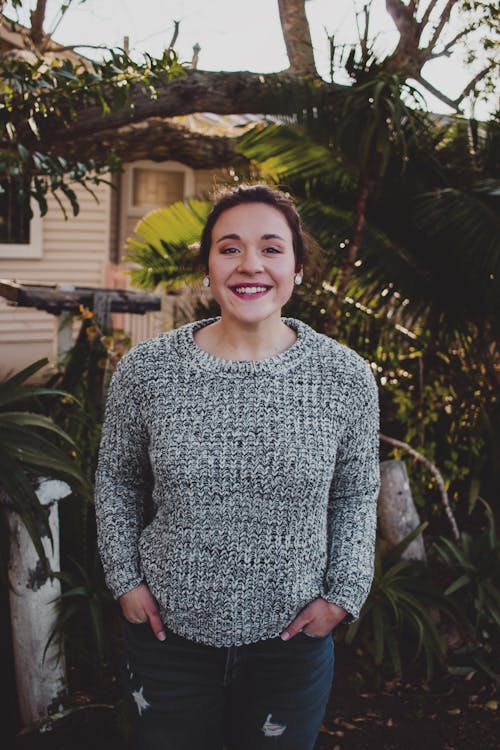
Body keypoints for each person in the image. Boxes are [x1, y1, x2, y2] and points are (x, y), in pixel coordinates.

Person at [95, 184, 380, 750]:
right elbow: (119, 480)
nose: (250, 264)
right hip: (168, 641)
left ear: (298, 268)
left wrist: (344, 593)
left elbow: (354, 493)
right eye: (230, 248)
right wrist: (124, 579)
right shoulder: (147, 370)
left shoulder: (344, 376)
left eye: (272, 248)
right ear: (208, 267)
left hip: (291, 643)